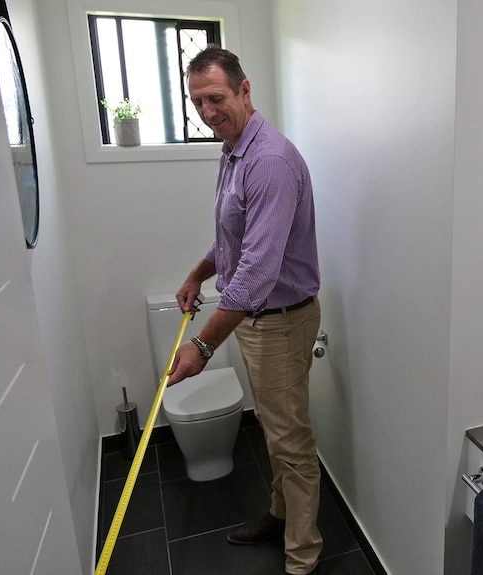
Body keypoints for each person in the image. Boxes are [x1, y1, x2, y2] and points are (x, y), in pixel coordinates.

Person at [167, 46, 322, 575]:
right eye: (197, 102)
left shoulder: (270, 161)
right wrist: (197, 273)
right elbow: (232, 240)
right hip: (256, 322)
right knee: (275, 433)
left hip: (280, 323)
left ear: (245, 89)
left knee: (291, 443)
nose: (207, 112)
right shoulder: (233, 149)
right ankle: (280, 518)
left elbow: (256, 269)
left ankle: (303, 558)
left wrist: (203, 344)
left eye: (216, 98)